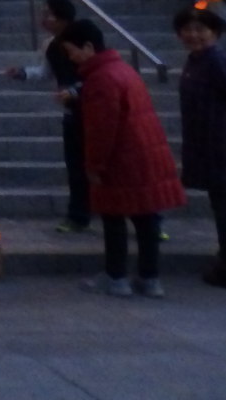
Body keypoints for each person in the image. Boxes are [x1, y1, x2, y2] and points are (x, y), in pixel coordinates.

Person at [60, 20, 185, 298]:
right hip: (143, 153)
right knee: (145, 218)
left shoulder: (101, 79)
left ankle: (116, 276)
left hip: (121, 158)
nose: (71, 57)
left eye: (72, 51)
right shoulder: (123, 70)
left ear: (88, 46)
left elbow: (102, 128)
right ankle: (150, 278)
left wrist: (94, 165)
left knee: (114, 217)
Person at [173, 7, 226, 290]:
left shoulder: (219, 62)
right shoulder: (197, 62)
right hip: (211, 144)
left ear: (215, 33)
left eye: (200, 29)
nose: (193, 35)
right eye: (187, 29)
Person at [5, 0, 89, 232]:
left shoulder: (85, 39)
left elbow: (97, 73)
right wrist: (22, 73)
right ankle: (78, 215)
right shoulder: (52, 46)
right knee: (76, 167)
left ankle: (142, 217)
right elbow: (46, 72)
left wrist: (75, 91)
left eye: (48, 14)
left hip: (95, 109)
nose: (43, 19)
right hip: (72, 113)